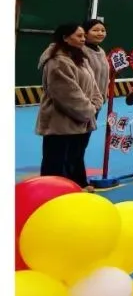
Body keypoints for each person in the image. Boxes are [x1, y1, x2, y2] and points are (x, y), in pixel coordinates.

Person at [35, 23, 98, 186]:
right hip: (60, 123)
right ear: (65, 38)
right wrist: (89, 110)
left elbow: (93, 85)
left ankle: (77, 187)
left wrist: (96, 103)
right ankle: (54, 194)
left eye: (84, 36)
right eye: (79, 36)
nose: (83, 39)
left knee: (75, 158)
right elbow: (67, 95)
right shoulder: (57, 62)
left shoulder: (79, 58)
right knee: (56, 162)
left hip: (80, 120)